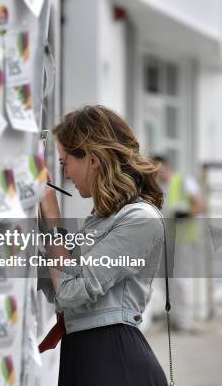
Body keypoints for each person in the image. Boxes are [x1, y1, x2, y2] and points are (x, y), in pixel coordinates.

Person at [37, 105, 168, 385]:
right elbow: (57, 283)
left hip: (113, 360)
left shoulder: (139, 219)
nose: (66, 174)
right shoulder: (100, 220)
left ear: (93, 160)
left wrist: (53, 220)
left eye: (65, 162)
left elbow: (70, 291)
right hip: (86, 356)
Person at [152, 155, 206, 332]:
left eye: (156, 168)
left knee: (182, 280)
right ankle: (175, 318)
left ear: (164, 166)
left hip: (185, 240)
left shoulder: (183, 181)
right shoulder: (160, 187)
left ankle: (185, 321)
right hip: (170, 241)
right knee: (170, 280)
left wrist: (183, 214)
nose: (155, 173)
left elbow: (200, 205)